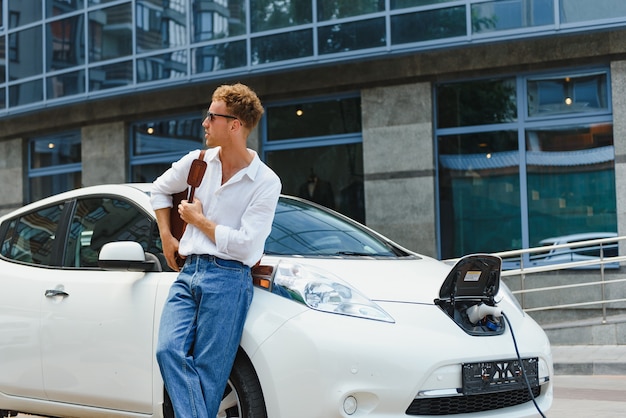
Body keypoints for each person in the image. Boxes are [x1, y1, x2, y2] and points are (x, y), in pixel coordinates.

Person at [150, 83, 281, 418]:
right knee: (168, 350)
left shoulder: (265, 182)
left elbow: (248, 244)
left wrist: (200, 221)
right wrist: (167, 236)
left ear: (234, 125)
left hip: (229, 280)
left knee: (210, 373)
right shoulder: (198, 162)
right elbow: (159, 190)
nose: (205, 124)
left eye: (212, 116)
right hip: (189, 271)